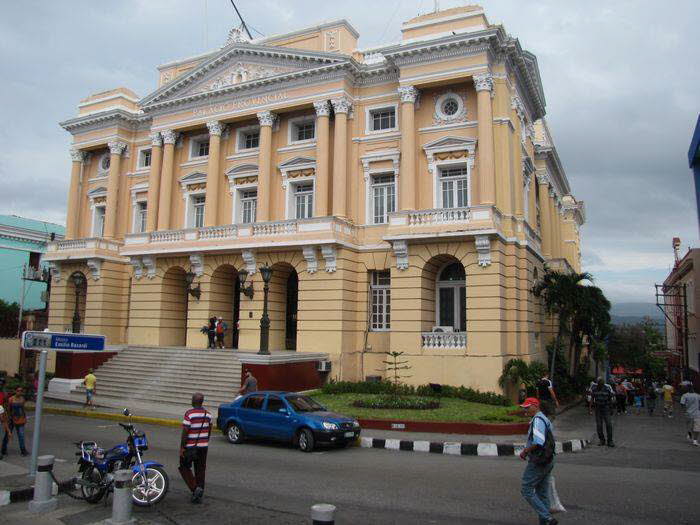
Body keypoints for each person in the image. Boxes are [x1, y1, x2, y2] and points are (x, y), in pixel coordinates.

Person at [519, 397, 557, 525]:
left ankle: (547, 518)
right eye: (524, 407)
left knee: (526, 489)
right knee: (542, 493)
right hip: (548, 459)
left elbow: (538, 442)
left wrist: (525, 451)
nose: (526, 410)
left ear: (535, 406)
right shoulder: (544, 419)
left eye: (528, 407)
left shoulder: (537, 420)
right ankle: (545, 522)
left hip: (539, 460)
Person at [179, 393, 212, 504]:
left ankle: (195, 488)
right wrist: (205, 440)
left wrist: (182, 447)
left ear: (193, 401)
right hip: (203, 447)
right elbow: (209, 430)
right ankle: (200, 491)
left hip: (190, 447)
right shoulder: (208, 415)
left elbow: (185, 431)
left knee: (184, 467)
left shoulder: (189, 414)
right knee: (201, 469)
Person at [1, 387, 28, 457]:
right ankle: (3, 449)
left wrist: (24, 418)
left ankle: (23, 450)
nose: (20, 392)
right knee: (7, 434)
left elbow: (23, 409)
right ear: (15, 391)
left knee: (21, 435)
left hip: (20, 420)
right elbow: (8, 409)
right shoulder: (11, 399)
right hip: (11, 419)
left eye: (21, 391)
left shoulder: (22, 399)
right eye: (18, 390)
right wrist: (9, 418)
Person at [592, 378, 615, 447]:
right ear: (598, 383)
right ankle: (602, 440)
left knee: (609, 424)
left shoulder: (607, 389)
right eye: (599, 383)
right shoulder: (594, 389)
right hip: (598, 408)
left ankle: (610, 441)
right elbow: (592, 399)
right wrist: (590, 409)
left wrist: (611, 409)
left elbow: (610, 399)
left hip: (606, 408)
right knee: (599, 425)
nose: (600, 385)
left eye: (601, 384)